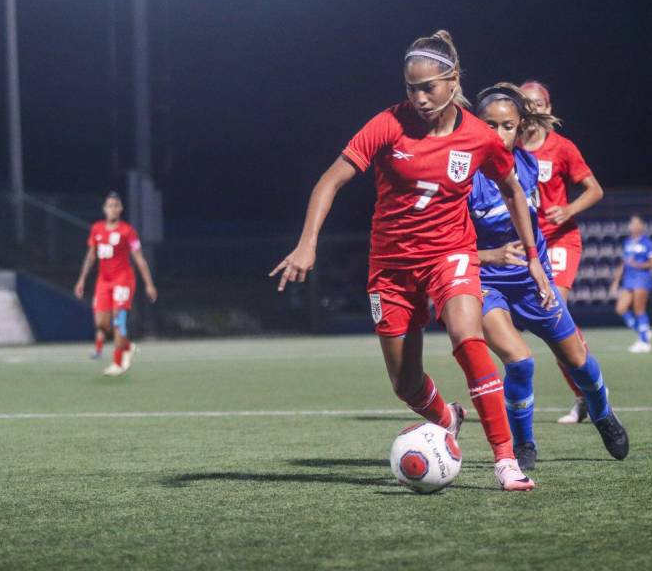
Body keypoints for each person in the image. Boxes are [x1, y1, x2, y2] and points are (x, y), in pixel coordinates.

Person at [270, 30, 552, 491]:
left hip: (450, 255)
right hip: (391, 267)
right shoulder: (387, 124)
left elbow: (514, 192)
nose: (419, 98)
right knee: (405, 384)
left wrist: (536, 260)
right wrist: (307, 243)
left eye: (429, 88)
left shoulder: (479, 137)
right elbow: (329, 182)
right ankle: (448, 416)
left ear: (453, 79)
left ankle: (506, 461)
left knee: (467, 336)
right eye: (411, 88)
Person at [470, 83, 629, 469]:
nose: (498, 134)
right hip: (486, 281)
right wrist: (487, 255)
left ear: (520, 127)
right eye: (489, 125)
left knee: (577, 358)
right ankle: (524, 445)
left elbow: (568, 166)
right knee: (520, 362)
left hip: (532, 278)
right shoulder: (461, 174)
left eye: (507, 126)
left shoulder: (527, 161)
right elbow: (445, 243)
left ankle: (603, 413)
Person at [520, 80, 605, 424]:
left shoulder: (562, 148)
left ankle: (591, 388)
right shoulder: (509, 148)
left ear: (548, 108)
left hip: (560, 241)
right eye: (527, 103)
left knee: (554, 307)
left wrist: (568, 210)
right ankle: (582, 393)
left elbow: (594, 190)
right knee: (544, 322)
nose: (534, 108)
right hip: (528, 247)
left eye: (539, 102)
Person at [74, 192, 158, 376]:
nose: (113, 209)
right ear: (104, 209)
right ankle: (127, 346)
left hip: (123, 280)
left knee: (119, 321)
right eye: (109, 205)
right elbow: (91, 256)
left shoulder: (128, 231)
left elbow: (139, 258)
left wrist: (149, 284)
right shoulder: (96, 229)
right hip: (103, 281)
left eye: (116, 205)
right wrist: (82, 279)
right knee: (102, 324)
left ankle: (118, 363)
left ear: (120, 209)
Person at [610, 215, 652, 353]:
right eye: (632, 224)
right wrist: (616, 281)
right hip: (629, 279)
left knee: (639, 310)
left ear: (642, 226)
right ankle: (643, 331)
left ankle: (644, 342)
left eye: (636, 223)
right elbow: (624, 263)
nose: (633, 226)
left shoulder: (648, 243)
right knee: (621, 308)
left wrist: (638, 264)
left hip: (642, 278)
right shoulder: (627, 242)